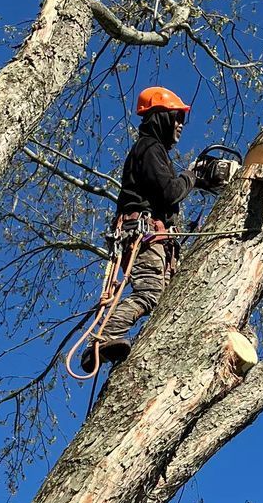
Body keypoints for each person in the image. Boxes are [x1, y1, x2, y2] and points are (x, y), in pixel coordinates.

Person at [87, 86, 232, 368]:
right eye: (176, 118)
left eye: (182, 120)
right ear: (160, 117)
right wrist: (192, 176)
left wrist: (198, 181)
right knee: (149, 293)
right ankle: (102, 338)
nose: (180, 125)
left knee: (166, 303)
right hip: (144, 237)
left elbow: (167, 194)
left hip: (155, 239)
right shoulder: (149, 147)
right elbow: (169, 192)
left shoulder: (155, 153)